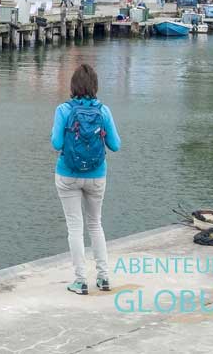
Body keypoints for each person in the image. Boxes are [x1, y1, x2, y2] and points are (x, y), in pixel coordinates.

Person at [51, 64, 121, 295]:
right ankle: (103, 278)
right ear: (95, 86)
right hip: (96, 175)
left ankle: (80, 281)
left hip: (68, 174)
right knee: (95, 224)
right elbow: (116, 145)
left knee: (75, 227)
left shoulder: (63, 109)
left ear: (73, 86)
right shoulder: (104, 111)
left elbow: (56, 144)